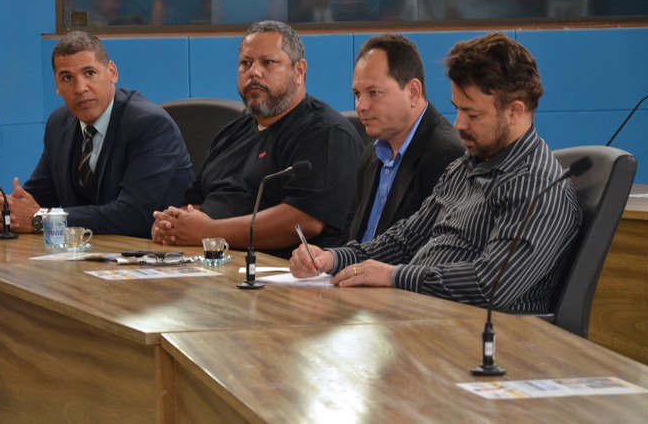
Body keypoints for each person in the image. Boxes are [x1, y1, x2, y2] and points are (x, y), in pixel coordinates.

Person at [291, 32, 583, 313]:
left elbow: (491, 286)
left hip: (481, 339)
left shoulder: (539, 187)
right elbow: (403, 242)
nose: (458, 124)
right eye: (457, 109)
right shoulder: (466, 166)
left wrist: (394, 277)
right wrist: (334, 259)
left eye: (473, 114)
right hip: (417, 316)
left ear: (515, 111)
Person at [151, 20, 363, 258]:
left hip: (283, 276)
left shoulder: (326, 133)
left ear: (299, 71)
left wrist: (211, 233)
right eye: (246, 63)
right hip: (210, 266)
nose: (254, 72)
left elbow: (305, 220)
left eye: (268, 63)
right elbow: (195, 202)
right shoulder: (231, 133)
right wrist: (172, 224)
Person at [0, 31, 193, 237]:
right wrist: (9, 210)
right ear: (57, 85)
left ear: (112, 72)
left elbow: (133, 215)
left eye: (89, 73)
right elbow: (38, 198)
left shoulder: (150, 125)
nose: (80, 88)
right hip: (87, 253)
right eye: (67, 78)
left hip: (151, 256)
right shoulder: (59, 124)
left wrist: (42, 218)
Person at [349, 34, 463, 243]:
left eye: (374, 92)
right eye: (357, 94)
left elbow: (431, 254)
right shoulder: (371, 156)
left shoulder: (448, 156)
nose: (361, 106)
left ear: (412, 92)